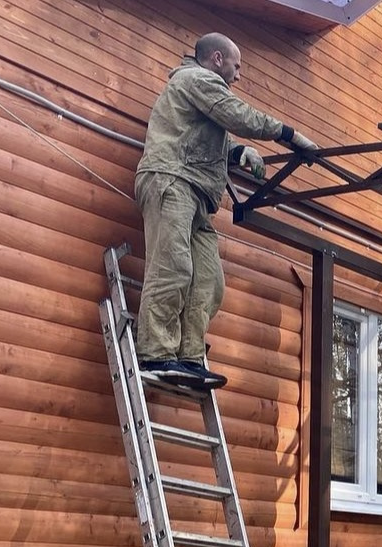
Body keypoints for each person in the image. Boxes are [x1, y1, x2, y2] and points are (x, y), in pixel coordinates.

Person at [134, 32, 318, 389]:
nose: (239, 74)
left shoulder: (201, 92)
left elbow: (214, 131)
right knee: (172, 267)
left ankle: (189, 357)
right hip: (172, 179)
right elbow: (237, 115)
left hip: (198, 193)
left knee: (209, 281)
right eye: (237, 66)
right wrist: (290, 135)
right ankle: (156, 352)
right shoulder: (195, 78)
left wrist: (238, 152)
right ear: (217, 59)